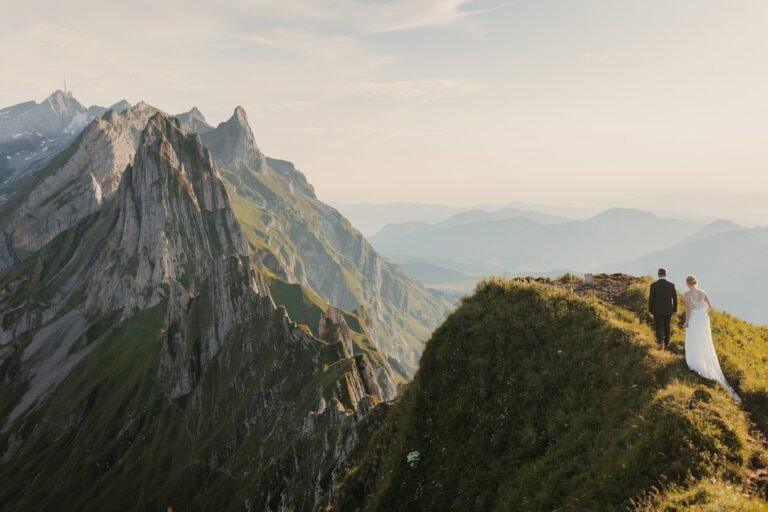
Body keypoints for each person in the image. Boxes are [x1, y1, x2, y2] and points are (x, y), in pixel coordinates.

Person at [683, 275, 741, 403]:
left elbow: (688, 310)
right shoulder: (703, 292)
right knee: (706, 341)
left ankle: (697, 362)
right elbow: (710, 306)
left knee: (695, 339)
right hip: (703, 318)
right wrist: (703, 312)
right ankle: (706, 360)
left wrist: (687, 322)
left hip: (694, 319)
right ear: (696, 282)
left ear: (687, 283)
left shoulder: (686, 294)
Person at [648, 268, 677, 350]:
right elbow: (675, 299)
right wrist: (675, 310)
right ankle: (667, 344)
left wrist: (650, 310)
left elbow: (651, 299)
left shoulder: (653, 285)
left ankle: (660, 343)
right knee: (667, 327)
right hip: (668, 310)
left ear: (658, 274)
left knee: (659, 327)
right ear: (666, 274)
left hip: (657, 310)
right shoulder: (671, 285)